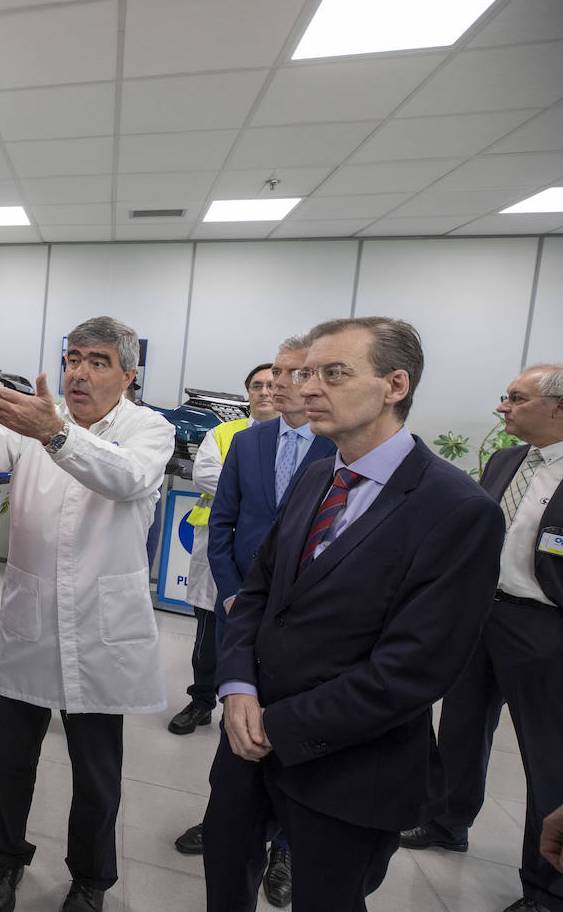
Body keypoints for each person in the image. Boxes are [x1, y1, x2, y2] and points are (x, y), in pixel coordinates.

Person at [200, 316, 506, 912]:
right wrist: (236, 686)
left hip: (348, 768)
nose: (308, 388)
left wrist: (278, 726)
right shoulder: (319, 475)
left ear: (395, 384)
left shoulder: (456, 510)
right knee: (225, 878)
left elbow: (413, 669)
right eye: (308, 373)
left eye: (334, 373)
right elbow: (259, 593)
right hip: (245, 741)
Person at [0, 316, 174, 912]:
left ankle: (90, 879)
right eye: (73, 359)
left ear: (129, 375)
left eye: (98, 362)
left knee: (96, 775)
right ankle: (7, 857)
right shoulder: (34, 422)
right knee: (13, 761)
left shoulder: (149, 430)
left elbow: (125, 478)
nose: (79, 373)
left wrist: (56, 434)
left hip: (102, 629)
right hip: (32, 621)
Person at [174, 335, 336, 908]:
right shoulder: (248, 441)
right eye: (276, 375)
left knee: (293, 727)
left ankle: (286, 846)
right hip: (241, 610)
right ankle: (229, 818)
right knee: (235, 719)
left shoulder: (338, 446)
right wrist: (233, 594)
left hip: (305, 622)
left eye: (294, 374)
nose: (281, 386)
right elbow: (222, 523)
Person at [399, 364, 563, 912]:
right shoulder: (506, 460)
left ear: (559, 407)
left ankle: (546, 887)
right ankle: (447, 823)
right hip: (479, 614)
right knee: (461, 727)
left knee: (548, 757)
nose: (502, 407)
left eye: (516, 398)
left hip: (545, 627)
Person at [169, 363, 277, 737]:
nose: (265, 391)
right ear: (247, 394)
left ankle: (251, 706)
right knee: (209, 633)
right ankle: (201, 702)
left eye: (271, 384)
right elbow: (205, 476)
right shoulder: (224, 433)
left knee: (263, 633)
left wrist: (244, 489)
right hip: (218, 545)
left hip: (271, 551)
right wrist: (262, 495)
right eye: (257, 385)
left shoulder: (301, 439)